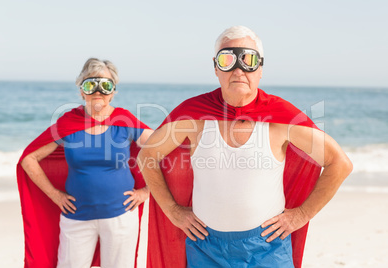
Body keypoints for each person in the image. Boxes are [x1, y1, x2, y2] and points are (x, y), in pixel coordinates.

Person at [137, 26, 353, 268]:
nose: (238, 70)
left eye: (248, 60)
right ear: (216, 68)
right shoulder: (194, 116)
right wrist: (173, 211)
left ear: (260, 69)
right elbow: (148, 156)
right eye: (228, 59)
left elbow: (339, 163)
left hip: (267, 248)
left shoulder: (282, 119)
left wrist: (301, 215)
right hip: (205, 248)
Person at [18, 58, 153, 268]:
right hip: (76, 217)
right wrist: (55, 195)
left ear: (113, 91)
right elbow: (29, 159)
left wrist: (146, 191)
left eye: (105, 85)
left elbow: (164, 150)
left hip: (121, 217)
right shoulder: (68, 124)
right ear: (82, 91)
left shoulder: (125, 121)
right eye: (91, 85)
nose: (98, 91)